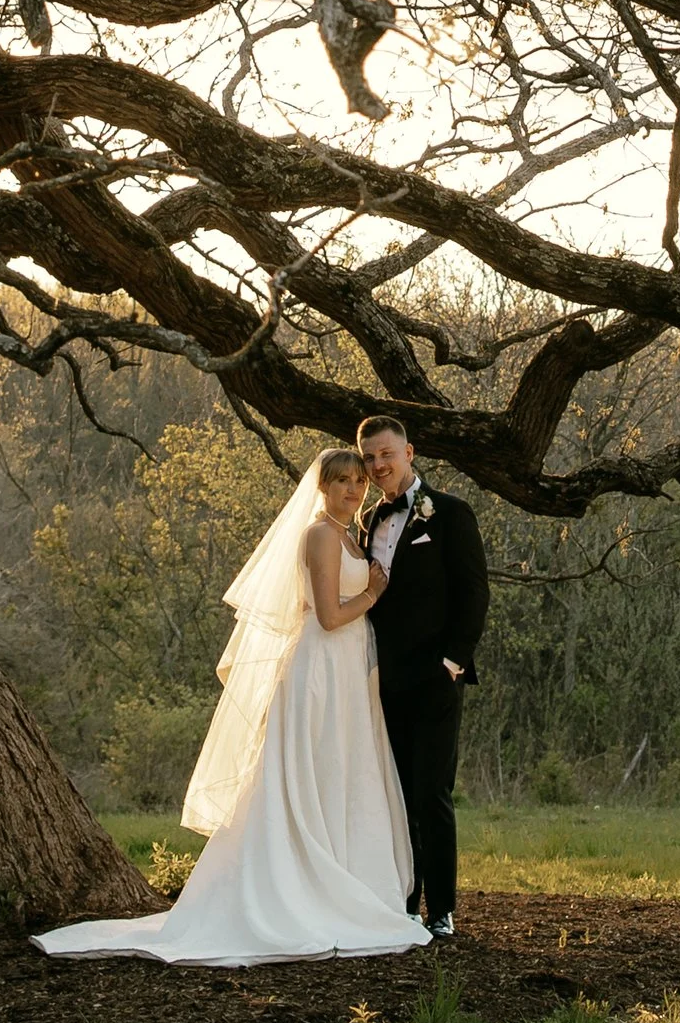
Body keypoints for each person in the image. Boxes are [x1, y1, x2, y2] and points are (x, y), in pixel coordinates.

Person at [33, 447, 432, 970]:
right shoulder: (318, 535)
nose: (353, 490)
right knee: (310, 771)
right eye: (341, 482)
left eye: (358, 481)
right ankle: (293, 887)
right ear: (322, 487)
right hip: (320, 670)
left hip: (346, 675)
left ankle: (343, 875)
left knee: (342, 772)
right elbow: (331, 616)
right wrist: (374, 594)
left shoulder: (346, 534)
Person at [355, 415, 488, 940]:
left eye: (386, 453)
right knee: (393, 794)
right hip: (380, 684)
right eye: (368, 458)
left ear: (409, 453)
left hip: (436, 681)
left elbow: (474, 594)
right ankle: (403, 903)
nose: (378, 464)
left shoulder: (450, 513)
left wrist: (452, 665)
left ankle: (442, 908)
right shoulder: (366, 523)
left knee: (432, 793)